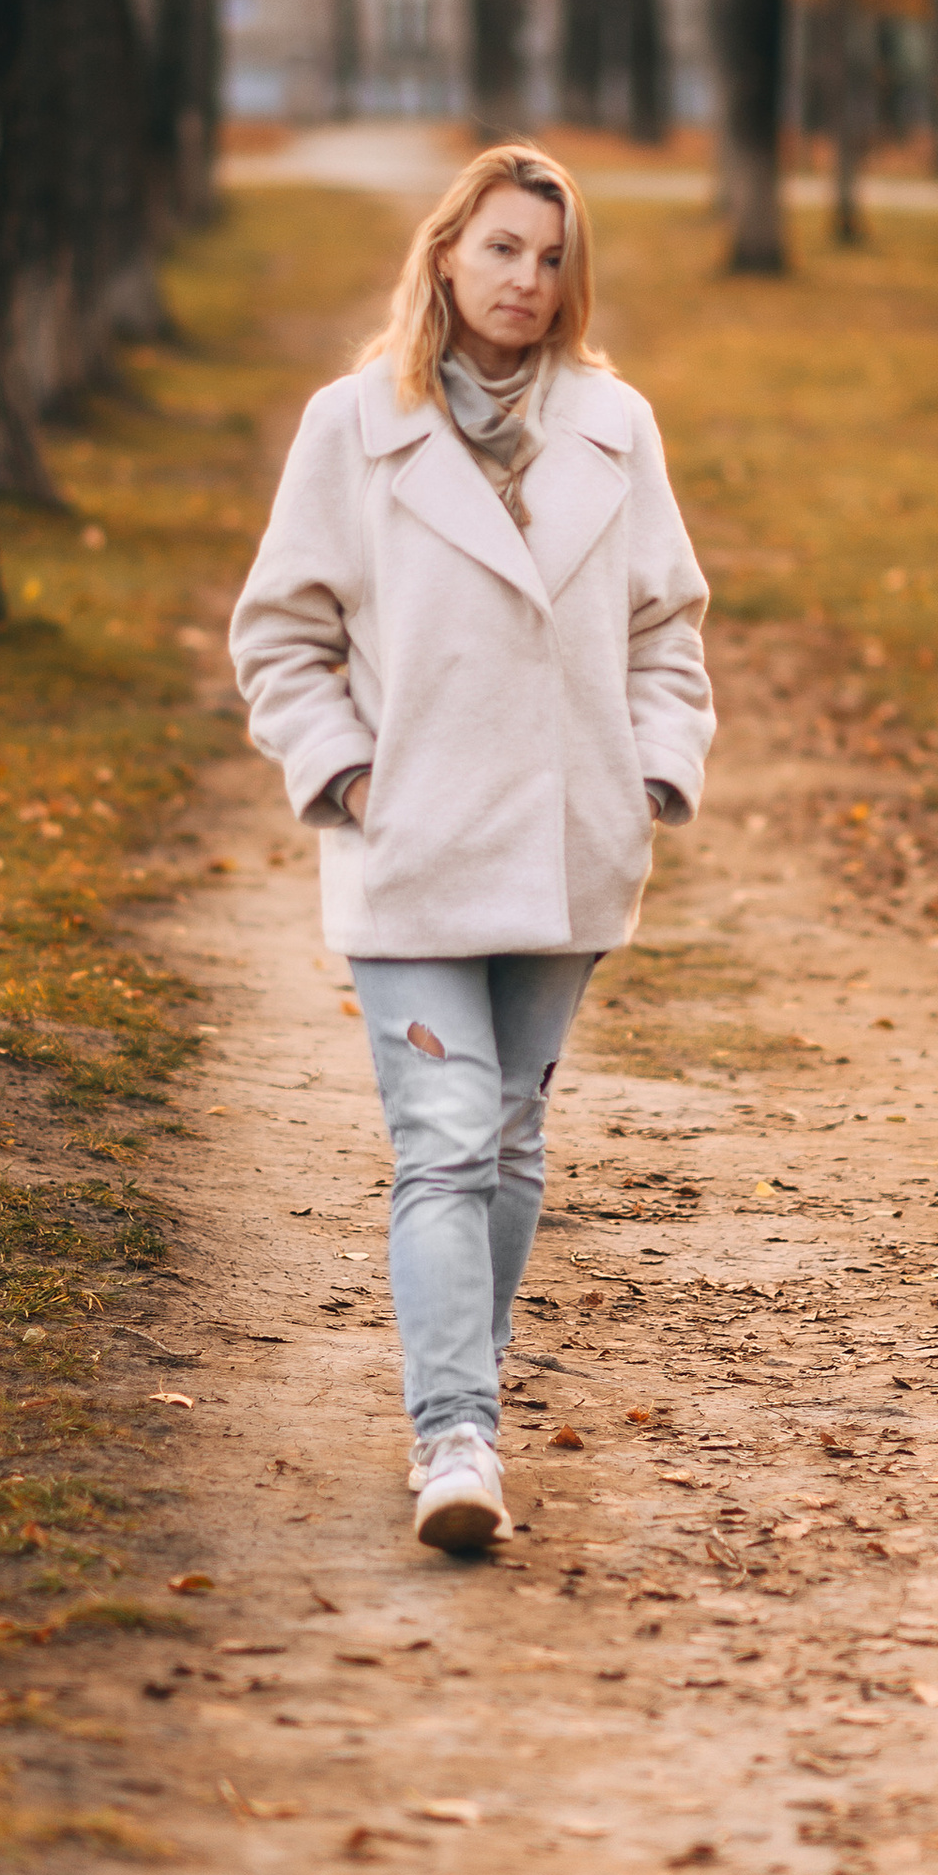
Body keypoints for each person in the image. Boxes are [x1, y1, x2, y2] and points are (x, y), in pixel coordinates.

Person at [230, 144, 714, 1552]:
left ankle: (471, 1388)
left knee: (507, 1136)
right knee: (444, 1140)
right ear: (445, 253)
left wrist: (651, 774)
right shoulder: (352, 425)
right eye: (501, 248)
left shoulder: (616, 425)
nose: (527, 280)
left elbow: (666, 629)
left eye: (552, 259)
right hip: (413, 856)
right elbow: (282, 634)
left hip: (568, 855)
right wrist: (345, 774)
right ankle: (455, 1438)